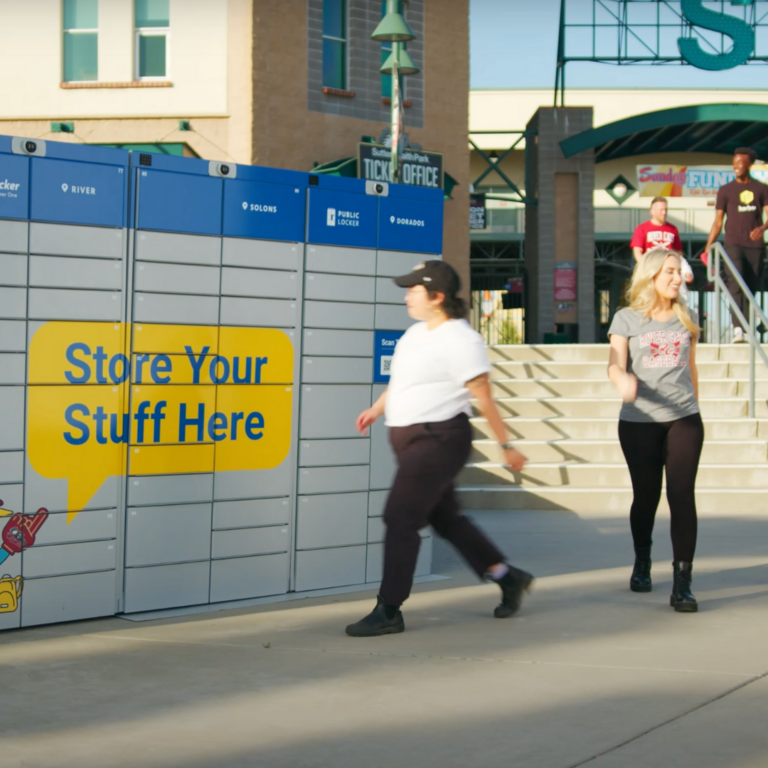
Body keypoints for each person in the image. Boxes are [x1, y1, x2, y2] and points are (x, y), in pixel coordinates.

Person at [345, 260, 534, 637]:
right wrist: (377, 409)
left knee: (400, 518)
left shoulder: (461, 339)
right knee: (447, 518)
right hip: (412, 441)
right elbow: (402, 382)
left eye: (414, 289)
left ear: (437, 296)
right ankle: (506, 576)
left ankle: (389, 608)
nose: (407, 295)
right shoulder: (416, 334)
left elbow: (483, 394)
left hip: (440, 439)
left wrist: (506, 445)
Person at [607, 247, 703, 613]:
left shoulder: (687, 317)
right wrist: (622, 380)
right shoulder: (626, 319)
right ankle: (643, 560)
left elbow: (692, 370)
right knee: (646, 496)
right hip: (639, 422)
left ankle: (683, 583)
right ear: (651, 276)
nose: (677, 278)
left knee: (681, 496)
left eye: (678, 272)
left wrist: (695, 407)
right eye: (670, 272)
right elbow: (614, 364)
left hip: (684, 418)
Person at [704, 147, 768, 343]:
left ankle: (748, 329)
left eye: (740, 163)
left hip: (755, 245)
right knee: (735, 283)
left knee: (750, 286)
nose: (736, 166)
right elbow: (718, 221)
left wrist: (763, 228)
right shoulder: (726, 190)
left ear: (749, 164)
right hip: (733, 243)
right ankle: (738, 329)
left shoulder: (762, 188)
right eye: (734, 163)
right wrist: (709, 245)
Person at [630, 196, 694, 302]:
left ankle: (682, 306)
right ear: (652, 211)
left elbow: (678, 253)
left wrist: (685, 270)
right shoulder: (642, 228)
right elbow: (637, 251)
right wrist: (646, 267)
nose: (664, 213)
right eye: (661, 210)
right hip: (652, 266)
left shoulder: (672, 229)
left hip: (668, 267)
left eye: (666, 210)